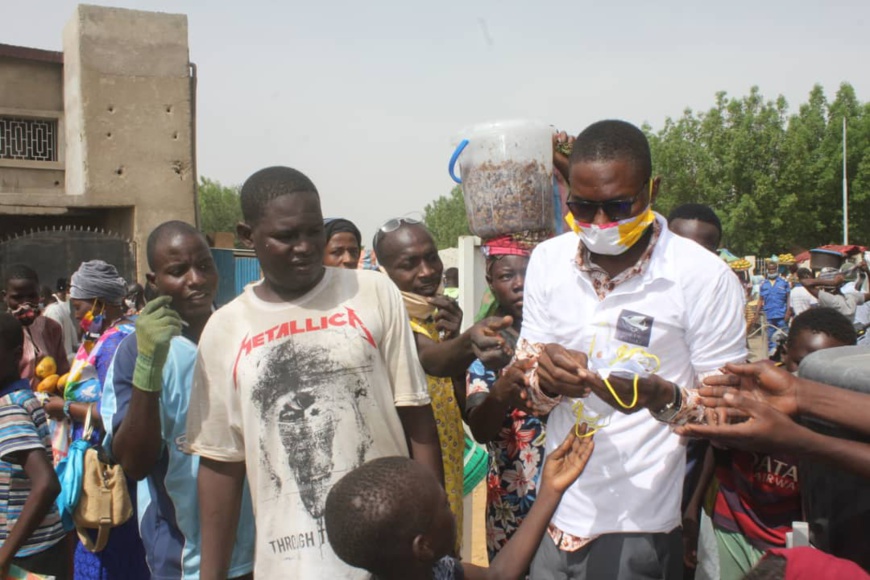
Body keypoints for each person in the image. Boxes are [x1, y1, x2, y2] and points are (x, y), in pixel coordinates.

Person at [505, 119, 746, 579]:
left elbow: (729, 417)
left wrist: (662, 400)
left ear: (652, 189)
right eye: (584, 207)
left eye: (617, 206)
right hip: (553, 514)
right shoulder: (548, 261)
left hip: (639, 527)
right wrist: (546, 382)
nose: (599, 224)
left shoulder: (703, 278)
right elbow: (526, 386)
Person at [185, 166, 443, 579]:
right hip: (289, 567)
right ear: (247, 236)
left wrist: (437, 545)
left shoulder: (372, 293)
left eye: (312, 232)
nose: (303, 247)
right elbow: (222, 464)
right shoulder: (225, 329)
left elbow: (417, 420)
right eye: (286, 237)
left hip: (392, 563)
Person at [101, 222, 255, 579]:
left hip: (263, 550)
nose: (196, 279)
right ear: (153, 281)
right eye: (177, 271)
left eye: (204, 266)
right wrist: (149, 366)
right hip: (184, 558)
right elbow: (134, 463)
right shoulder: (133, 352)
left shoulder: (242, 333)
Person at [375, 220, 508, 551]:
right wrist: (466, 341)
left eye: (431, 258)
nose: (426, 272)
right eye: (409, 264)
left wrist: (455, 338)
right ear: (384, 271)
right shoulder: (386, 321)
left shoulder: (434, 318)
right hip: (407, 484)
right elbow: (431, 359)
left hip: (446, 476)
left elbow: (460, 404)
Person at [324, 427, 595, 580]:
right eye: (444, 505)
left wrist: (550, 491)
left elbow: (498, 576)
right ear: (425, 545)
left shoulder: (437, 571)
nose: (451, 510)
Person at [703, 308, 855, 580]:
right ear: (785, 352)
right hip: (735, 523)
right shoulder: (755, 390)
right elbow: (715, 449)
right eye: (801, 364)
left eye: (824, 372)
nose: (807, 379)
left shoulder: (847, 415)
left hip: (797, 539)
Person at [41, 260, 149, 580]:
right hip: (109, 467)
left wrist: (66, 407)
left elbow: (116, 414)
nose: (76, 315)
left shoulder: (116, 342)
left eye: (79, 307)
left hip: (107, 472)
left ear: (100, 303)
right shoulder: (115, 333)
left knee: (107, 554)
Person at [464, 235, 547, 562]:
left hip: (568, 498)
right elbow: (481, 430)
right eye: (506, 276)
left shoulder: (560, 339)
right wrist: (500, 394)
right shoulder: (485, 349)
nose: (520, 285)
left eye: (528, 275)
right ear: (491, 282)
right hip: (512, 501)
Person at [0, 313, 69, 579]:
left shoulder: (8, 409)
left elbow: (46, 483)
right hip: (43, 543)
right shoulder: (24, 397)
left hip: (25, 554)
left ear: (17, 354)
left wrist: (4, 557)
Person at [3, 265, 70, 389]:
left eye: (32, 296)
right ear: (5, 296)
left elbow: (62, 370)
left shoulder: (51, 328)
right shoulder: (3, 330)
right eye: (17, 297)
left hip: (48, 403)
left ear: (39, 295)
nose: (25, 304)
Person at [801, 268, 870, 323]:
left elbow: (805, 282)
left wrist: (833, 282)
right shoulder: (851, 297)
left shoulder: (830, 299)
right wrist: (867, 271)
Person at [757, 262, 790, 356]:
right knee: (770, 338)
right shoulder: (764, 284)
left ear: (777, 270)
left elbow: (788, 298)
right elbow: (760, 300)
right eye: (770, 269)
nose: (772, 271)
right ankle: (773, 357)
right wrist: (756, 313)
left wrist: (788, 311)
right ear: (768, 270)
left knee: (783, 336)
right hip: (769, 315)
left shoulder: (784, 283)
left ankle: (784, 355)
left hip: (782, 315)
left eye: (773, 269)